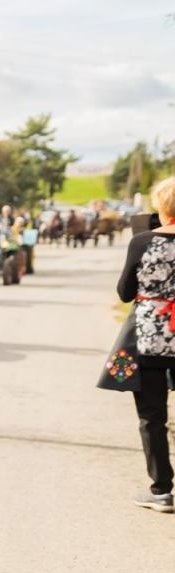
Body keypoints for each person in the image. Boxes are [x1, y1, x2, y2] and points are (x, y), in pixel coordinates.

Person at [115, 175, 175, 512]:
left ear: (161, 207)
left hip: (151, 337)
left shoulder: (142, 241)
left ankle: (161, 490)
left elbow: (124, 293)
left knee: (152, 416)